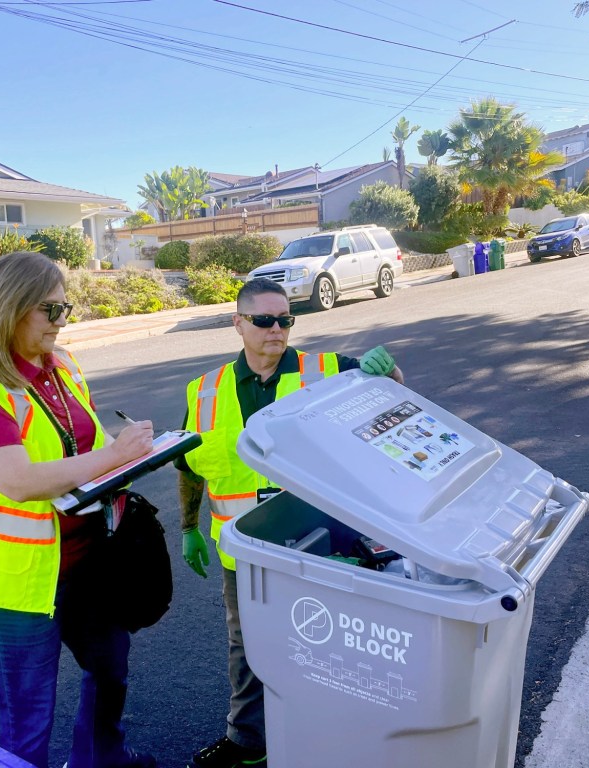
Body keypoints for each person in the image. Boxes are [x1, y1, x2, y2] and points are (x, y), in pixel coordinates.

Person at [0, 251, 157, 768]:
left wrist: (130, 452)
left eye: (64, 308)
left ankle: (102, 760)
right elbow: (20, 482)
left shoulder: (60, 365)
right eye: (51, 311)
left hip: (88, 560)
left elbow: (80, 442)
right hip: (14, 583)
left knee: (110, 670)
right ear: (9, 309)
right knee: (28, 721)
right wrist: (115, 455)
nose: (62, 322)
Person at [176, 278, 404, 768]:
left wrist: (392, 374)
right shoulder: (204, 392)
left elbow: (391, 409)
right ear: (238, 323)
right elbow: (187, 464)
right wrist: (187, 527)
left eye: (285, 319)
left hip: (320, 547)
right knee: (247, 645)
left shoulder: (328, 372)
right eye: (263, 320)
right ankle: (248, 742)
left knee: (331, 643)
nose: (276, 330)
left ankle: (334, 737)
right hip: (243, 550)